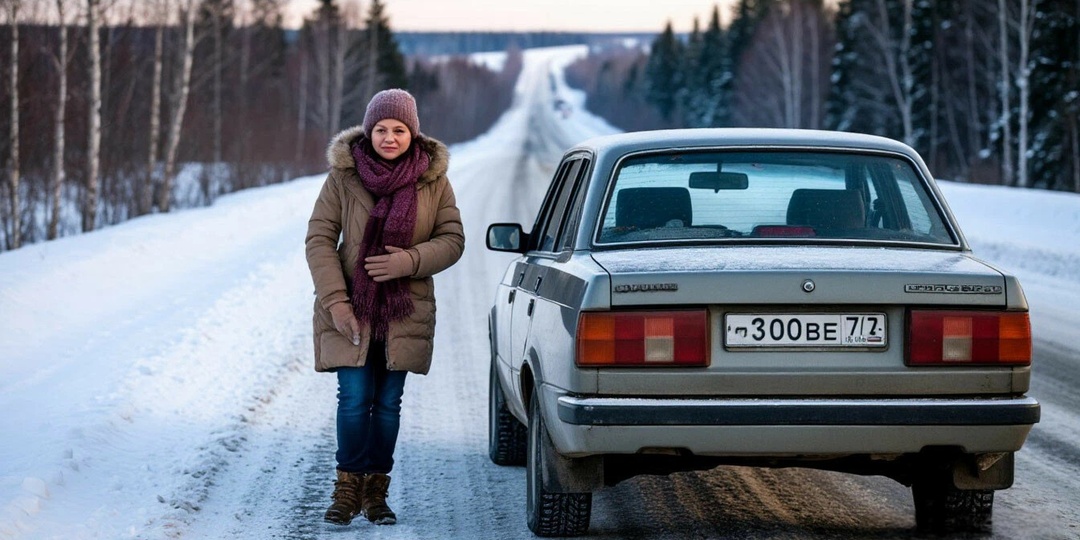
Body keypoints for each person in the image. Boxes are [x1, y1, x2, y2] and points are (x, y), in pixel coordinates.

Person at [304, 88, 464, 527]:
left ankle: (376, 493)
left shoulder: (433, 181)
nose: (389, 138)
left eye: (398, 129)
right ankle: (347, 489)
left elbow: (452, 240)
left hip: (403, 309)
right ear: (368, 131)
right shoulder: (344, 177)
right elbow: (319, 239)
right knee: (354, 397)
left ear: (413, 134)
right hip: (351, 307)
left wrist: (407, 261)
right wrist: (336, 302)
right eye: (380, 129)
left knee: (388, 403)